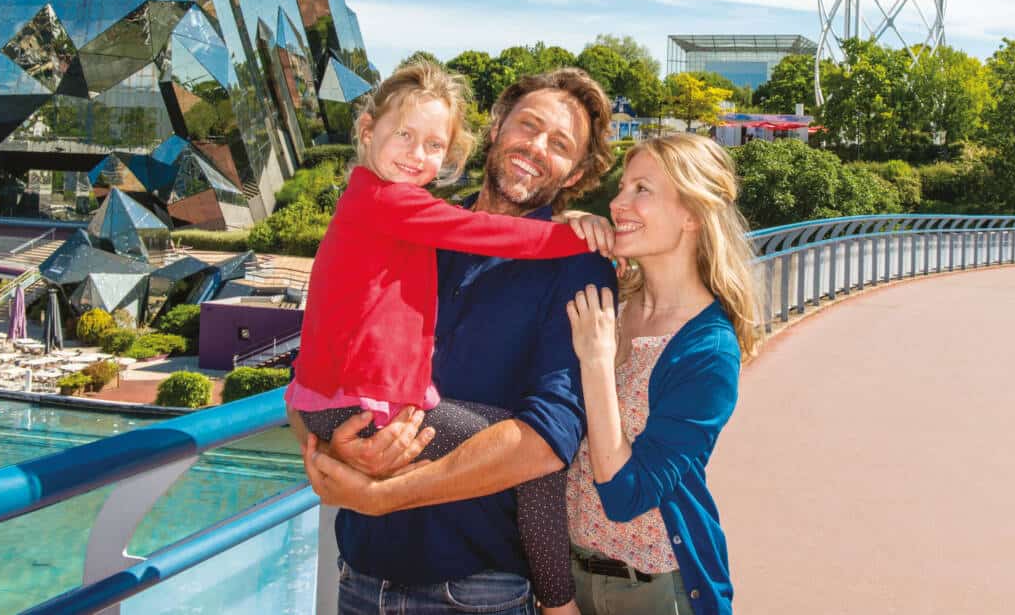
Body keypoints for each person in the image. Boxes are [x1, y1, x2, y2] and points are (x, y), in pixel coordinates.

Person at [286, 59, 614, 613]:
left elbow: (545, 441)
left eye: (560, 144)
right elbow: (313, 369)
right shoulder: (409, 224)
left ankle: (558, 602)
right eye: (528, 125)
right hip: (362, 573)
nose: (536, 146)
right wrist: (339, 448)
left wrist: (378, 493)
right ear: (495, 127)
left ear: (577, 174)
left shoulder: (578, 269)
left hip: (475, 588)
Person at [562, 133, 760, 614]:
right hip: (568, 579)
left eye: (641, 190)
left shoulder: (708, 351)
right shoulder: (609, 296)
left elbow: (625, 495)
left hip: (656, 590)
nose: (617, 202)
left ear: (691, 214)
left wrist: (596, 362)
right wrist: (571, 223)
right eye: (622, 187)